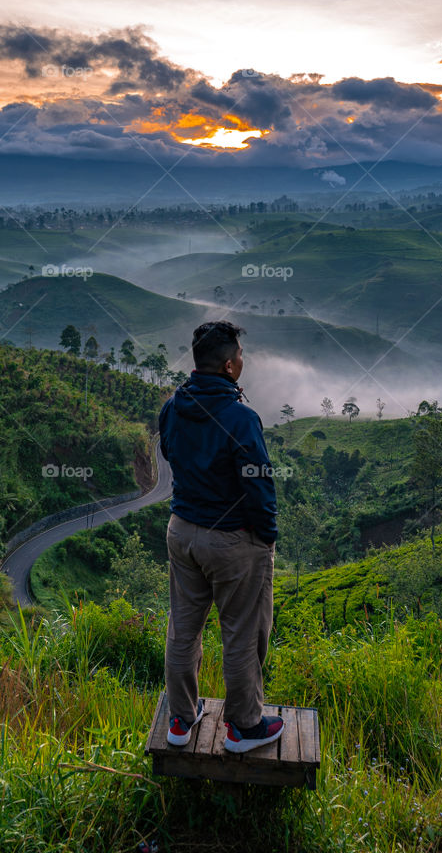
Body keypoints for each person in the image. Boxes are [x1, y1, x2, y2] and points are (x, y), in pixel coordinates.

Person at [158, 320, 283, 754]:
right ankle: (243, 728)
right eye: (242, 357)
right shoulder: (241, 417)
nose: (244, 362)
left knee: (183, 629)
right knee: (243, 633)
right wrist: (266, 537)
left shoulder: (175, 405)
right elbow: (259, 484)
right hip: (231, 543)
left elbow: (169, 452)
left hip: (182, 533)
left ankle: (180, 718)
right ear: (230, 366)